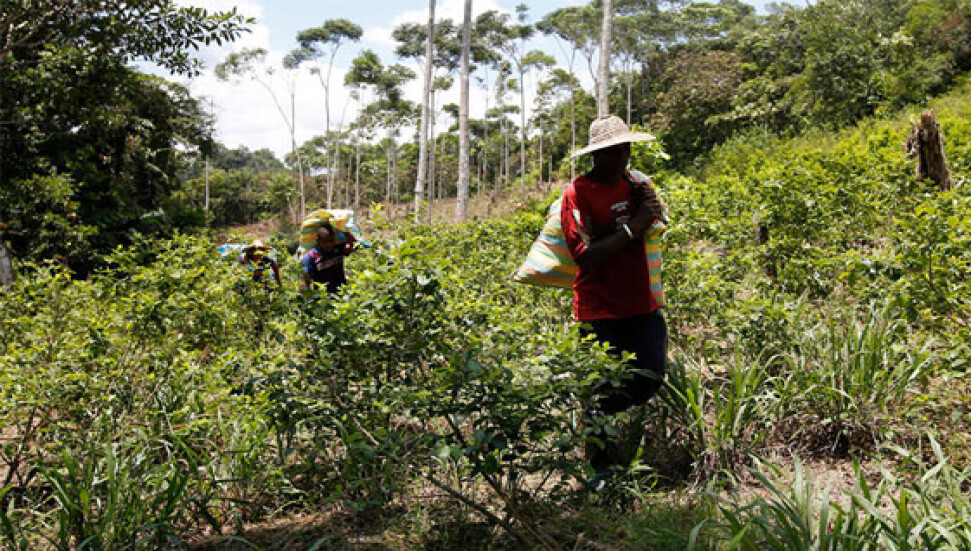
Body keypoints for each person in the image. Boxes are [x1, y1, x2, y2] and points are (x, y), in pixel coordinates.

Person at [560, 115, 668, 477]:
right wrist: (632, 226)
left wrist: (648, 210)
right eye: (614, 149)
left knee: (650, 376)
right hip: (598, 310)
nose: (623, 154)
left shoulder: (635, 184)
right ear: (598, 154)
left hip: (641, 302)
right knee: (600, 387)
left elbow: (659, 222)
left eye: (627, 147)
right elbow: (585, 255)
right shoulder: (577, 194)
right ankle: (601, 473)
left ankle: (599, 419)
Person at [300, 223, 357, 294]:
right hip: (323, 298)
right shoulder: (311, 257)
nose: (329, 244)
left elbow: (353, 242)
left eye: (331, 241)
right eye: (325, 242)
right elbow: (306, 280)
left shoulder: (338, 249)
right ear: (318, 241)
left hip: (341, 294)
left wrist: (344, 230)